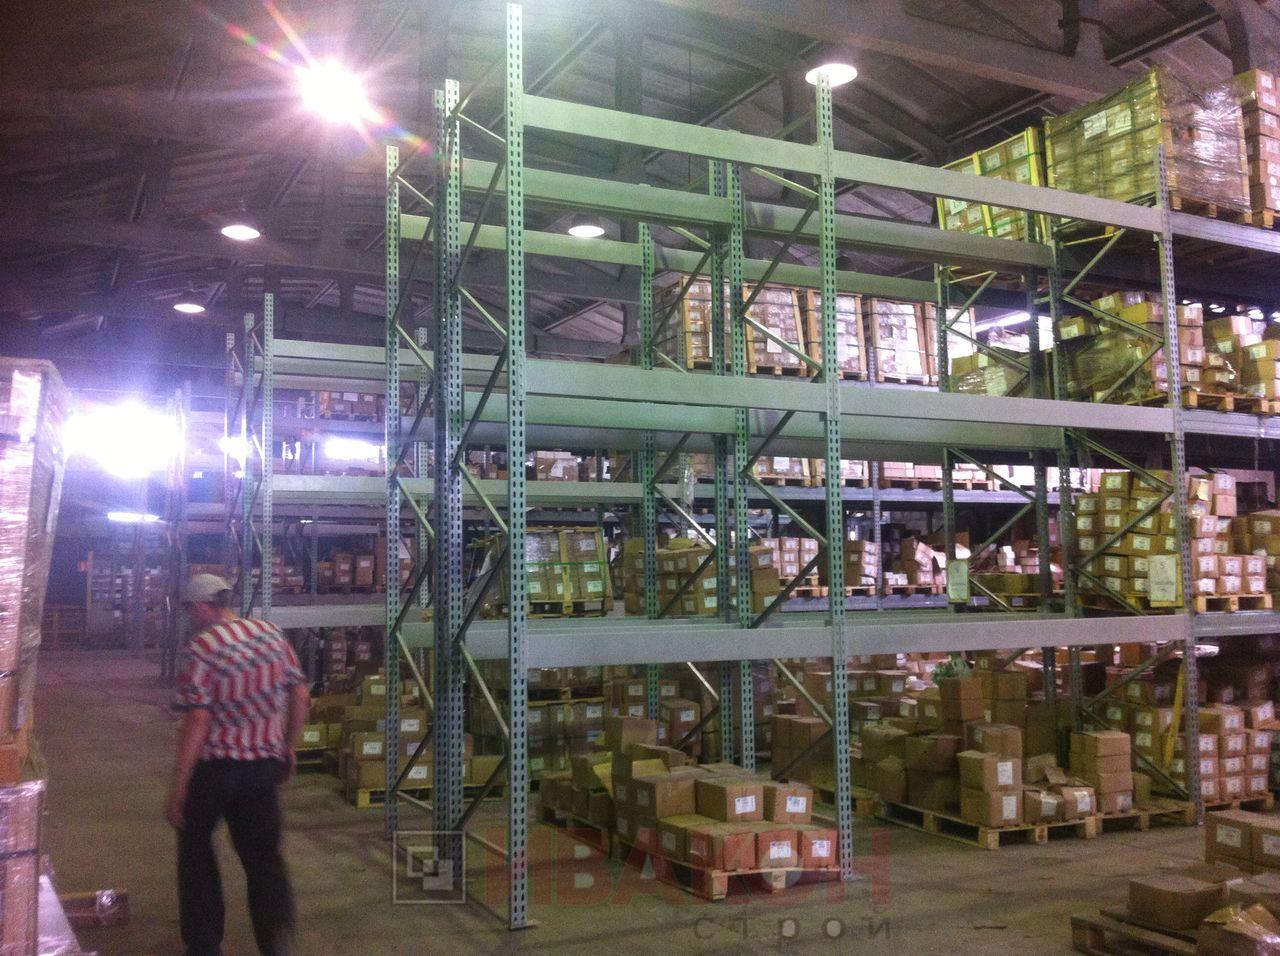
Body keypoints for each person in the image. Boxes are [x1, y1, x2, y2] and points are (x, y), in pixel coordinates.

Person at [167, 573, 309, 956]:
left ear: (202, 606)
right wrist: (289, 747)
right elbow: (300, 694)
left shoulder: (203, 647)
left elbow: (198, 719)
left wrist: (179, 786)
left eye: (189, 609)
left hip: (214, 770)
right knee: (264, 859)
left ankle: (204, 946)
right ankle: (277, 942)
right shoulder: (271, 634)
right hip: (262, 769)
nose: (189, 617)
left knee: (196, 851)